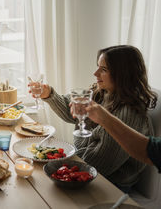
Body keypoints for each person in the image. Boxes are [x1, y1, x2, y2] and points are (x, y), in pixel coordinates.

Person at [31, 45, 157, 191]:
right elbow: (73, 111)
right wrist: (49, 94)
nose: (95, 73)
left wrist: (58, 163)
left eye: (103, 70)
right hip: (85, 169)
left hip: (111, 184)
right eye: (98, 67)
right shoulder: (103, 92)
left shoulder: (128, 113)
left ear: (122, 74)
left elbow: (100, 163)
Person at [85, 102, 161, 171]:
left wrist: (105, 119)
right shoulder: (102, 96)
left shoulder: (129, 112)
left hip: (111, 180)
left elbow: (147, 151)